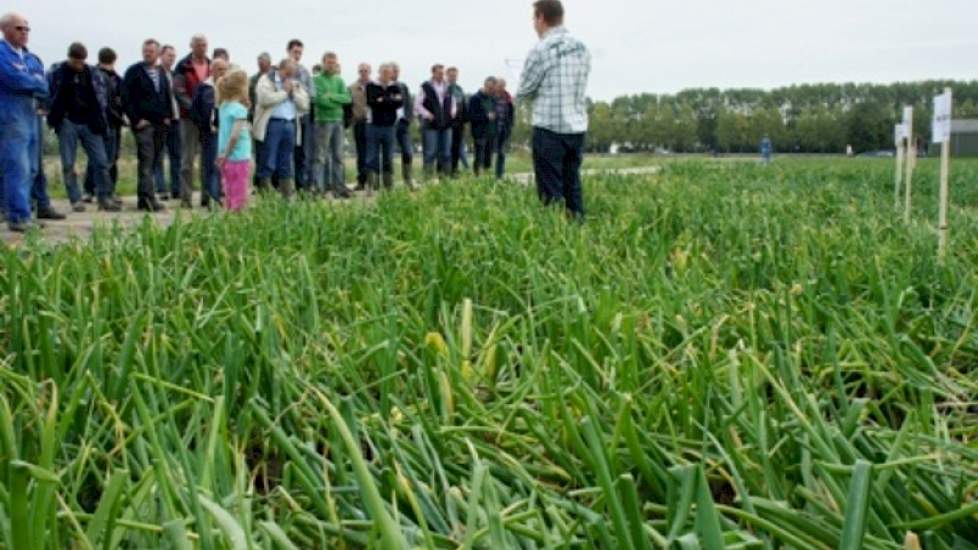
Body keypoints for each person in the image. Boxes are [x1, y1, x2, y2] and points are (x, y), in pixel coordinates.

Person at [517, 0, 591, 219]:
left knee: (551, 192)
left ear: (541, 17)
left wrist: (519, 97)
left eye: (534, 19)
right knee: (572, 184)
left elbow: (525, 90)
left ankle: (555, 236)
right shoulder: (582, 47)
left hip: (549, 126)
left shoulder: (540, 49)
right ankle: (577, 229)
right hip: (577, 125)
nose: (534, 24)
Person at [47, 42, 120, 212]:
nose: (79, 65)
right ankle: (75, 199)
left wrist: (101, 120)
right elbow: (49, 92)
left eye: (81, 61)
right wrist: (52, 114)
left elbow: (102, 99)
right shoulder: (57, 73)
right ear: (69, 58)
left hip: (89, 122)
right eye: (75, 61)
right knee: (68, 163)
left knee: (101, 161)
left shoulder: (93, 74)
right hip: (67, 122)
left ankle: (104, 197)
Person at [0, 13, 51, 232]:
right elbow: (13, 79)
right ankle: (17, 215)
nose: (24, 33)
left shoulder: (31, 58)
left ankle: (24, 210)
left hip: (31, 114)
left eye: (27, 29)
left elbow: (44, 85)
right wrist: (32, 82)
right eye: (19, 28)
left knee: (31, 166)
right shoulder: (2, 54)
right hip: (11, 114)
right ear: (5, 30)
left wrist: (31, 82)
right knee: (16, 165)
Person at [121, 38, 172, 212]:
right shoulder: (134, 72)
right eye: (145, 51)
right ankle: (147, 199)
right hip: (144, 125)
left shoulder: (161, 72)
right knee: (146, 160)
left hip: (160, 125)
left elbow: (165, 95)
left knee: (155, 161)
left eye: (151, 51)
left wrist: (167, 117)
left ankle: (146, 198)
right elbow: (126, 98)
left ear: (158, 53)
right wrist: (135, 120)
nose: (147, 53)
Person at [253, 58, 309, 197]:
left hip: (289, 124)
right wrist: (284, 93)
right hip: (272, 123)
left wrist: (293, 94)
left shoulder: (294, 84)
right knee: (268, 159)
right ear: (280, 69)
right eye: (287, 72)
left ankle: (287, 195)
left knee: (286, 160)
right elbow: (264, 99)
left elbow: (305, 104)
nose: (290, 76)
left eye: (293, 73)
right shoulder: (266, 80)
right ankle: (265, 194)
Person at [173, 33, 211, 208]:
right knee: (187, 160)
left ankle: (207, 195)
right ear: (192, 46)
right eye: (199, 45)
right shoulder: (183, 66)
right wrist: (194, 109)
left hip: (208, 120)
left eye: (204, 45)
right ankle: (186, 197)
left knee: (208, 158)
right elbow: (179, 91)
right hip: (189, 118)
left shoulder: (211, 65)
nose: (203, 48)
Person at [84, 47, 125, 204]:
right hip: (107, 122)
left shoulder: (95, 75)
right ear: (114, 59)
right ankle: (104, 191)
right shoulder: (103, 77)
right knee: (104, 159)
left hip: (105, 122)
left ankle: (96, 191)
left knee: (103, 159)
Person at [311, 52, 351, 198]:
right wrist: (335, 101)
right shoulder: (316, 80)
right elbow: (320, 100)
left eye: (334, 63)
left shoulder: (339, 80)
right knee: (320, 157)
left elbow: (347, 98)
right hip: (323, 121)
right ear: (323, 63)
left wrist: (332, 96)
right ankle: (318, 189)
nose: (331, 65)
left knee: (338, 157)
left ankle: (339, 189)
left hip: (338, 122)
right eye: (328, 62)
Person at [191, 58, 228, 207]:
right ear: (212, 70)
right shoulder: (204, 87)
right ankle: (210, 197)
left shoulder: (228, 87)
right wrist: (205, 126)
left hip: (225, 132)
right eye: (219, 69)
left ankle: (217, 194)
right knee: (210, 164)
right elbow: (195, 110)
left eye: (225, 69)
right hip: (210, 133)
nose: (223, 73)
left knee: (221, 165)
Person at [216, 70, 252, 212]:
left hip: (226, 158)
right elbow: (235, 136)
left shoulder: (224, 106)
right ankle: (237, 220)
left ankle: (229, 216)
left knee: (229, 191)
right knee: (240, 194)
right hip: (239, 156)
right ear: (242, 88)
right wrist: (227, 152)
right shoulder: (240, 110)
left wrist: (224, 154)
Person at [365, 63, 403, 191]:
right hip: (373, 125)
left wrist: (383, 100)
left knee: (388, 156)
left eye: (389, 73)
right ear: (379, 73)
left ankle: (388, 185)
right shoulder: (371, 86)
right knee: (372, 156)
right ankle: (372, 185)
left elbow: (399, 103)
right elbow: (372, 102)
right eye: (384, 72)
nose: (386, 75)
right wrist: (390, 100)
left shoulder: (395, 87)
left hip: (390, 126)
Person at [415, 64, 456, 179]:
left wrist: (453, 111)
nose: (441, 75)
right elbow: (417, 105)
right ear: (433, 73)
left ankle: (445, 179)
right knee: (430, 153)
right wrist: (428, 115)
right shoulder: (426, 86)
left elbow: (452, 102)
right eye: (439, 73)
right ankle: (427, 179)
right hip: (431, 124)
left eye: (442, 73)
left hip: (446, 123)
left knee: (446, 153)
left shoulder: (448, 86)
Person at [153, 45, 182, 200]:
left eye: (173, 56)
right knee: (159, 155)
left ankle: (176, 188)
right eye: (169, 55)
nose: (172, 58)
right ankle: (161, 187)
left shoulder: (175, 74)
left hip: (176, 119)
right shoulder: (156, 73)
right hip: (161, 121)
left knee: (176, 155)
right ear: (161, 55)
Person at [286, 39, 314, 192]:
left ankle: (301, 185)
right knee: (287, 151)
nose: (297, 56)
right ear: (288, 51)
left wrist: (298, 88)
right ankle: (286, 185)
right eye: (295, 52)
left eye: (300, 53)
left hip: (302, 115)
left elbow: (312, 93)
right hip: (287, 115)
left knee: (302, 151)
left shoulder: (304, 71)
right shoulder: (280, 69)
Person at [249, 52, 272, 188]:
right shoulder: (253, 79)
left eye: (263, 62)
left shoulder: (274, 78)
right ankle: (259, 181)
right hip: (257, 118)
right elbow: (250, 98)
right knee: (260, 151)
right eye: (259, 62)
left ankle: (270, 181)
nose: (261, 64)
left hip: (272, 118)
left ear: (269, 63)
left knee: (271, 151)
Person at [468, 77, 498, 176]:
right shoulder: (475, 99)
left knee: (488, 158)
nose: (492, 91)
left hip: (491, 132)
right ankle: (477, 178)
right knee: (479, 157)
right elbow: (471, 116)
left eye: (493, 89)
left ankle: (487, 178)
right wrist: (486, 116)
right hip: (480, 133)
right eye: (490, 88)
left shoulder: (493, 99)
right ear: (485, 85)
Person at [348, 63, 371, 190]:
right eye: (361, 70)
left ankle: (373, 180)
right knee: (361, 152)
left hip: (373, 123)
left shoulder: (375, 86)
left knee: (373, 152)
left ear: (370, 71)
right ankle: (361, 181)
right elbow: (348, 106)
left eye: (366, 70)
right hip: (359, 122)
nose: (364, 72)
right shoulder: (351, 88)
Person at [391, 62, 414, 188]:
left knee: (408, 151)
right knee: (390, 153)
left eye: (397, 70)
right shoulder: (383, 86)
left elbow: (409, 104)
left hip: (403, 123)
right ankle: (390, 181)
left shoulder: (403, 86)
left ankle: (408, 179)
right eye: (394, 70)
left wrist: (409, 119)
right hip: (389, 124)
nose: (396, 73)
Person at [446, 66, 467, 177]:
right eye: (451, 75)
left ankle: (454, 170)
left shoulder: (459, 89)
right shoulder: (445, 88)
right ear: (447, 76)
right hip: (448, 123)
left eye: (455, 75)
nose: (453, 77)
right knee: (447, 148)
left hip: (459, 123)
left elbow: (463, 105)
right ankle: (446, 171)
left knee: (456, 148)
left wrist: (465, 120)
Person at [494, 78, 515, 179]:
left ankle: (499, 174)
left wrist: (510, 125)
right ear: (496, 85)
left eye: (503, 86)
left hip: (504, 129)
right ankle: (485, 172)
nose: (501, 88)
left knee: (501, 152)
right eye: (499, 85)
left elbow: (511, 114)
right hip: (493, 129)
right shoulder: (492, 97)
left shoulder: (508, 98)